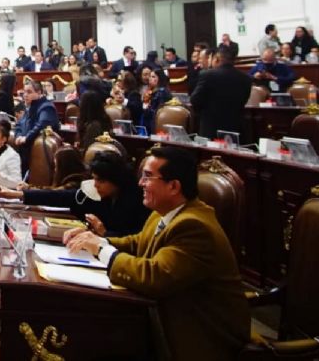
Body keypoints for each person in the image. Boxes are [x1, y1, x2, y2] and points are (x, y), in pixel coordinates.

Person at [63, 147, 249, 360]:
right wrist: (95, 240)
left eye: (148, 177)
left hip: (196, 335)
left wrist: (101, 249)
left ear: (173, 186)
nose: (140, 183)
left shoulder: (195, 226)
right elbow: (137, 243)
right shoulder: (164, 213)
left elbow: (154, 276)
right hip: (163, 316)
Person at [4, 151, 150, 236]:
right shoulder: (97, 193)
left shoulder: (137, 201)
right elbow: (63, 197)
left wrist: (104, 232)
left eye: (101, 181)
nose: (95, 185)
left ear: (116, 180)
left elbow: (136, 240)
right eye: (94, 179)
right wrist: (20, 195)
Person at [191, 50, 251, 138]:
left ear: (216, 59)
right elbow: (244, 100)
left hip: (211, 127)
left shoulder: (207, 75)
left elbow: (194, 100)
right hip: (235, 127)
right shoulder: (245, 78)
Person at [14, 80, 60, 171]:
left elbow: (42, 124)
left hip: (38, 152)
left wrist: (26, 138)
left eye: (29, 92)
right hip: (25, 149)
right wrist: (18, 136)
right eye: (24, 92)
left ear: (39, 92)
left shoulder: (46, 107)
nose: (25, 95)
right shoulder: (29, 107)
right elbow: (19, 124)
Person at [141, 69, 172, 134]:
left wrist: (146, 108)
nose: (150, 78)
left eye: (153, 77)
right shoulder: (154, 91)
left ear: (159, 78)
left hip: (157, 125)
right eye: (150, 76)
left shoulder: (162, 92)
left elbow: (159, 111)